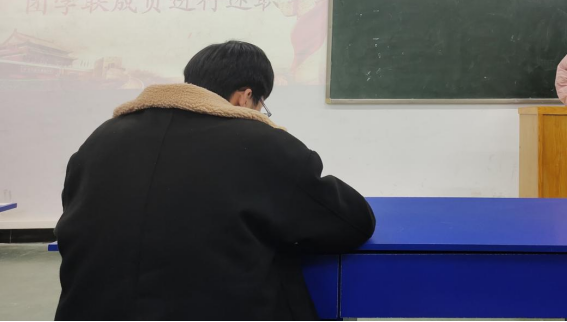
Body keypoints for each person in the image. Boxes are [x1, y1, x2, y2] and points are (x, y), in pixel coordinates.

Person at [54, 41, 375, 321]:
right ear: (245, 96)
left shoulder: (101, 138)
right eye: (261, 105)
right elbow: (351, 222)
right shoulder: (261, 142)